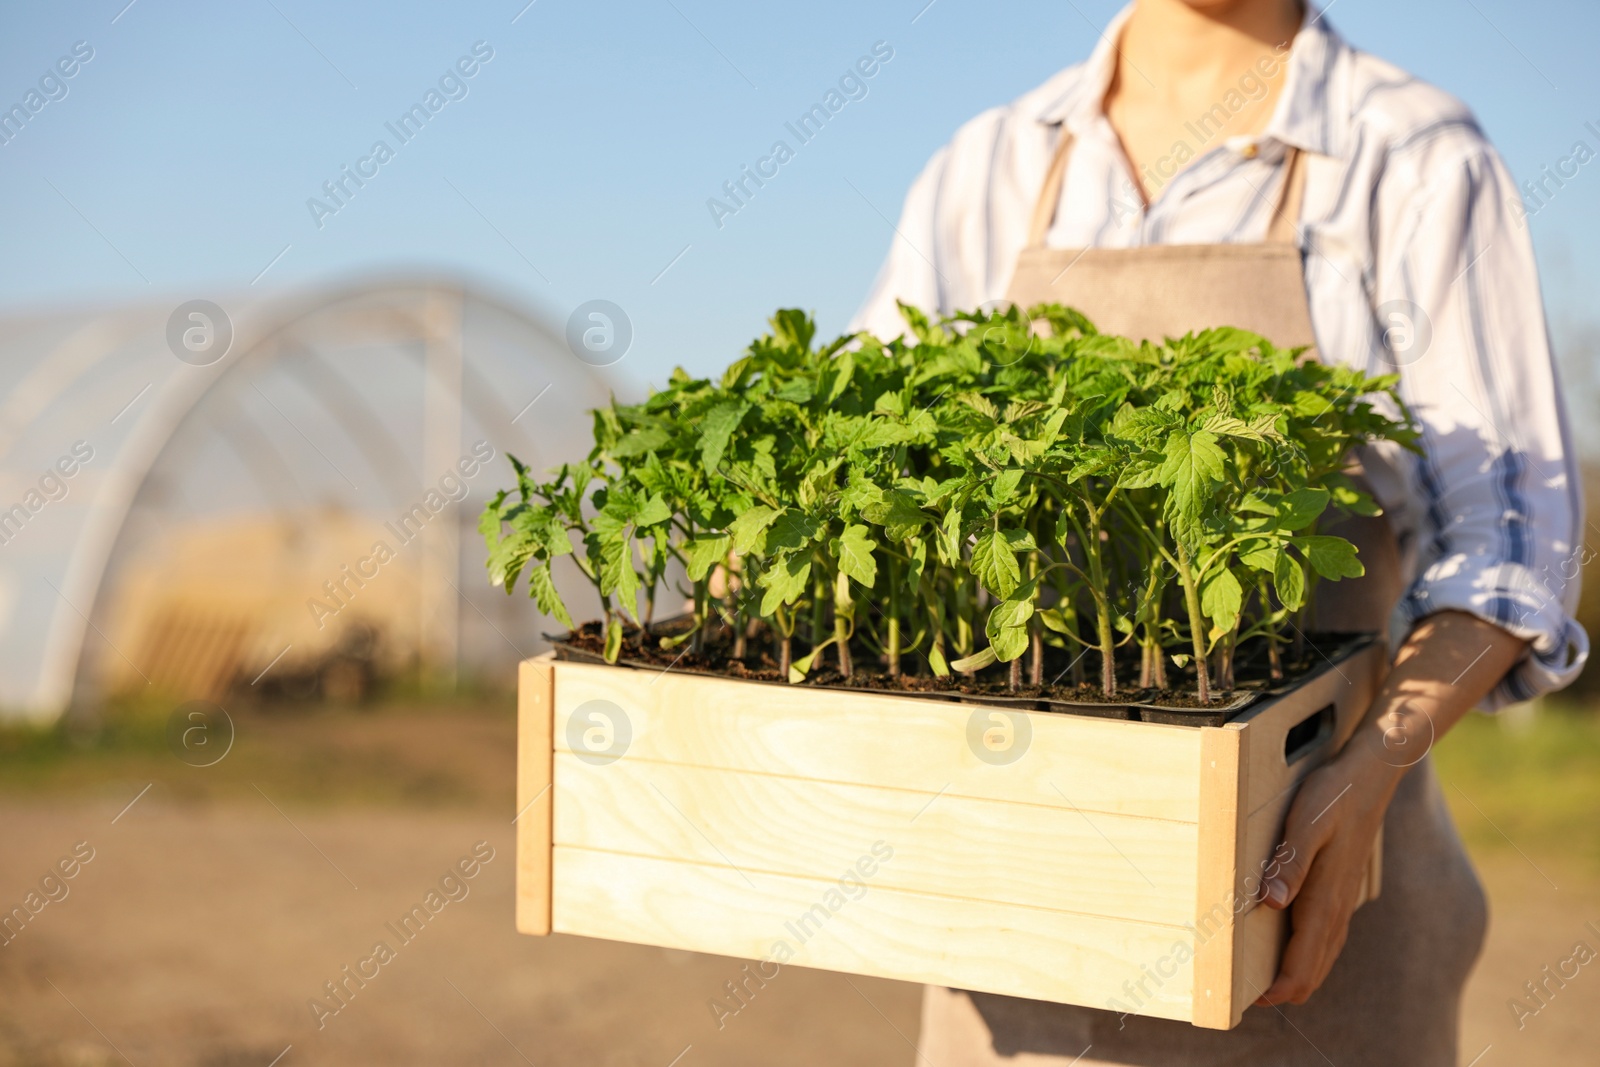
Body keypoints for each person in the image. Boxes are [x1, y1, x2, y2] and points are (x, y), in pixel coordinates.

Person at [851, 0, 1588, 1063]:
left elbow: (1512, 539)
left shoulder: (1406, 156)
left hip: (1306, 908)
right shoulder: (988, 167)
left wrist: (1371, 764)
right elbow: (861, 465)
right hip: (1017, 931)